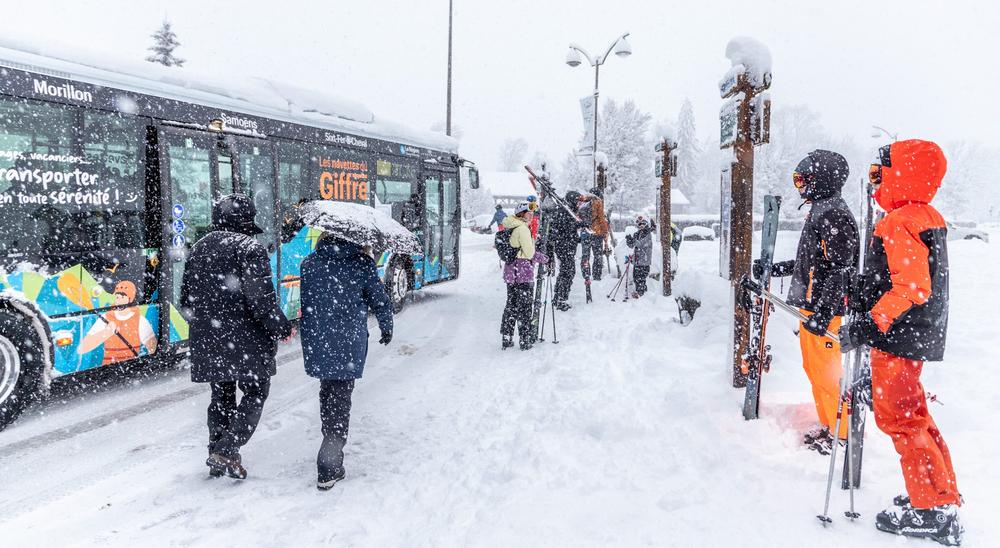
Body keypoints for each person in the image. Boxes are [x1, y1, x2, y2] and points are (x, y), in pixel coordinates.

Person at [839, 140, 962, 544]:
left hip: (898, 335)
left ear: (902, 175)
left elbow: (911, 286)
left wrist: (871, 324)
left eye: (880, 174)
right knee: (915, 415)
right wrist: (867, 290)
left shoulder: (899, 220)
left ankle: (932, 510)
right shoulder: (926, 216)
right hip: (914, 334)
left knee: (901, 420)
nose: (875, 182)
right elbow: (903, 277)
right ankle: (936, 494)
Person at [180, 194, 293, 480]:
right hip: (247, 341)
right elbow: (261, 301)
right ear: (246, 221)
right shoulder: (250, 249)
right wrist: (281, 327)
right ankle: (227, 450)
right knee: (255, 392)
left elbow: (185, 301)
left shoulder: (199, 248)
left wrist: (209, 326)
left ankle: (216, 453)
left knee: (221, 396)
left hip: (210, 339)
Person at [755, 150, 859, 455]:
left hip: (826, 310)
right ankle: (829, 425)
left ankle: (842, 435)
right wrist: (776, 269)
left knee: (828, 375)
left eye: (803, 179)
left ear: (821, 179)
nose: (799, 186)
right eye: (796, 180)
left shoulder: (833, 214)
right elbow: (811, 262)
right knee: (814, 369)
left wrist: (825, 312)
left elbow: (841, 269)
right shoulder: (820, 210)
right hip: (813, 305)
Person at [300, 234, 393, 490]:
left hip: (318, 338)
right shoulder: (362, 264)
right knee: (341, 397)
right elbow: (379, 299)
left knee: (328, 391)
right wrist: (386, 325)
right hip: (348, 340)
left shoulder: (309, 263)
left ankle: (329, 443)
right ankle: (329, 463)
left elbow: (309, 302)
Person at [500, 202, 547, 350]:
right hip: (522, 272)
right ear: (521, 214)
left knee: (511, 305)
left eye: (532, 213)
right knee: (525, 307)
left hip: (511, 271)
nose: (531, 216)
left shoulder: (511, 225)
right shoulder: (522, 228)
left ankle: (506, 337)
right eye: (528, 213)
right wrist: (545, 258)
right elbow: (530, 253)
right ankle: (524, 339)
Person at [77, 280, 156, 364]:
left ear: (130, 299)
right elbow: (82, 349)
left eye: (122, 297)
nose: (118, 301)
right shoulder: (106, 317)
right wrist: (106, 332)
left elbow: (153, 348)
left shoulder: (140, 320)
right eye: (117, 297)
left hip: (132, 366)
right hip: (107, 367)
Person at [546, 191, 585, 311]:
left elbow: (569, 230)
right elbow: (564, 229)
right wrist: (577, 225)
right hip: (564, 247)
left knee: (565, 272)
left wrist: (577, 236)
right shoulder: (563, 211)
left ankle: (558, 297)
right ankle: (561, 299)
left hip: (566, 246)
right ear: (572, 200)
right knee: (568, 272)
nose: (579, 205)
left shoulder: (568, 211)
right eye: (578, 202)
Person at [578, 188, 609, 282]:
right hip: (596, 233)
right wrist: (605, 231)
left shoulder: (582, 201)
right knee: (597, 255)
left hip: (585, 232)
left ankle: (586, 274)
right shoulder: (598, 202)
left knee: (585, 255)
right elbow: (601, 218)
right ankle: (596, 275)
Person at [625, 215, 655, 298]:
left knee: (641, 278)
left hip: (644, 260)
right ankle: (640, 292)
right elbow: (632, 245)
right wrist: (629, 240)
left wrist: (633, 241)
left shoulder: (647, 234)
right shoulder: (637, 233)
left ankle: (641, 294)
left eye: (643, 224)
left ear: (646, 224)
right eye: (639, 224)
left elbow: (641, 244)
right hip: (637, 260)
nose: (641, 226)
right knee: (636, 277)